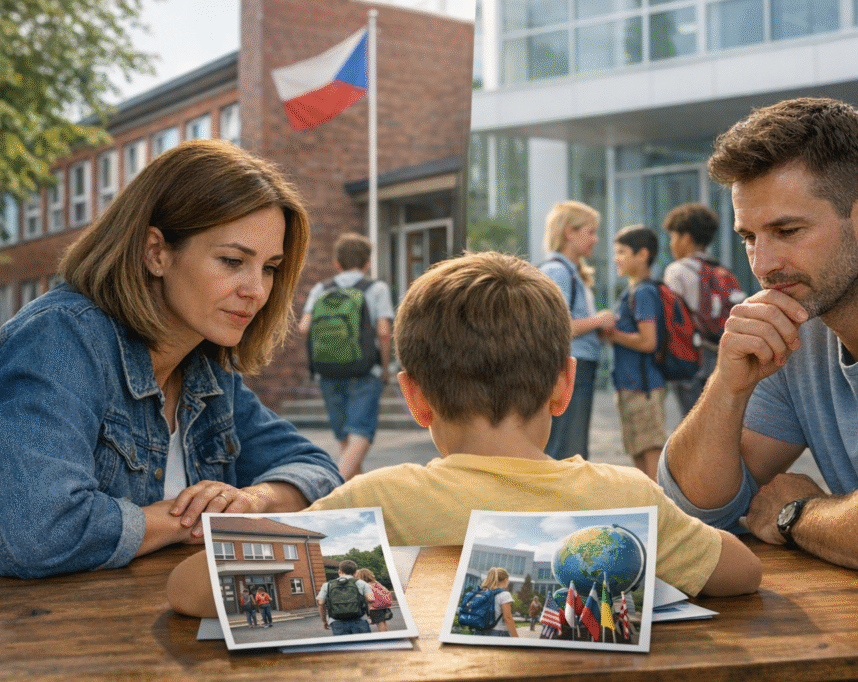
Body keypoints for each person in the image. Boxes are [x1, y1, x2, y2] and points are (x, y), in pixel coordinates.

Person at [165, 251, 760, 618]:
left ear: (414, 397)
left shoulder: (380, 499)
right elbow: (740, 573)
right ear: (564, 385)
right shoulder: (622, 496)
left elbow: (190, 589)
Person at [657, 98, 858, 609]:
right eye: (750, 237)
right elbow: (696, 510)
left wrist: (798, 513)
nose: (763, 264)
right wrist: (729, 383)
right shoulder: (800, 318)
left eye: (788, 231)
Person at [0, 139, 342, 579]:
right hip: (11, 635)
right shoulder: (60, 340)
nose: (256, 290)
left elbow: (317, 471)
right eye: (232, 260)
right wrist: (195, 520)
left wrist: (252, 500)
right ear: (156, 253)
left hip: (137, 627)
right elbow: (42, 532)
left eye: (269, 268)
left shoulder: (205, 369)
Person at [298, 233, 393, 480]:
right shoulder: (376, 288)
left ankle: (357, 503)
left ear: (336, 263)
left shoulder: (322, 288)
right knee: (359, 434)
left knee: (345, 441)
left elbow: (304, 327)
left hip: (328, 371)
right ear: (367, 262)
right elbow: (384, 332)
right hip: (364, 370)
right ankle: (331, 486)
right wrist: (384, 369)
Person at [537, 201, 616, 460]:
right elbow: (555, 327)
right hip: (572, 366)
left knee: (572, 445)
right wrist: (598, 321)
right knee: (569, 449)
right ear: (569, 232)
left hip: (579, 366)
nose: (596, 239)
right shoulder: (557, 272)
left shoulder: (572, 272)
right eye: (590, 231)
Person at [662, 203, 744, 414]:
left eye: (673, 237)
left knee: (693, 421)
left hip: (692, 358)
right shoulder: (721, 270)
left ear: (686, 238)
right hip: (721, 355)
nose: (671, 244)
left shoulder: (677, 270)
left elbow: (673, 320)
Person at [600, 225, 667, 480]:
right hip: (631, 385)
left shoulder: (644, 292)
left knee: (649, 450)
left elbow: (648, 341)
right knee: (637, 451)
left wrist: (612, 334)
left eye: (621, 251)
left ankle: (659, 511)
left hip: (644, 387)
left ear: (642, 254)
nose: (616, 258)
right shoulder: (631, 291)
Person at [317, 559, 375, 636]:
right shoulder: (361, 583)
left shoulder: (327, 585)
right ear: (355, 572)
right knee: (365, 646)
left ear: (339, 571)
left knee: (345, 647)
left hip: (337, 621)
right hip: (359, 619)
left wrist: (324, 620)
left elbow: (321, 603)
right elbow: (371, 599)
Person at [477, 567, 517, 637]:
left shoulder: (481, 592)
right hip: (497, 632)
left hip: (479, 631)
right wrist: (516, 637)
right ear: (505, 580)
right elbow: (508, 618)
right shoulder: (504, 594)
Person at [356, 568, 392, 632]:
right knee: (384, 622)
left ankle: (384, 637)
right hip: (383, 606)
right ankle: (389, 635)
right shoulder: (376, 583)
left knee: (380, 624)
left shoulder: (366, 586)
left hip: (374, 607)